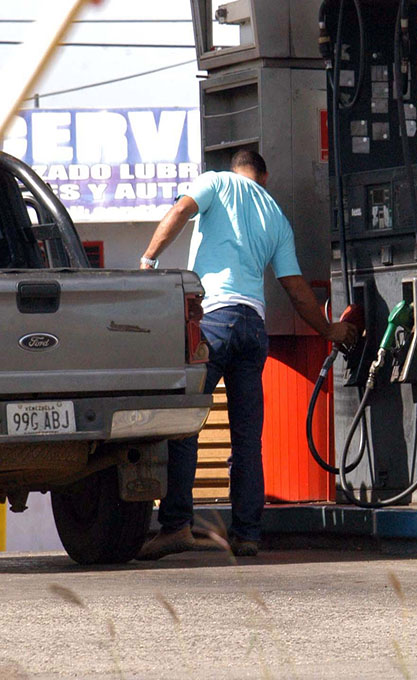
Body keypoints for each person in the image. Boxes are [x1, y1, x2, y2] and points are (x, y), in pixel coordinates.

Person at [136, 150, 356, 559]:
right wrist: (329, 330)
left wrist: (148, 262)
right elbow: (294, 287)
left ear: (236, 170)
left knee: (185, 424)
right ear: (264, 177)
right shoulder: (275, 216)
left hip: (214, 320)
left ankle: (176, 526)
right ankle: (247, 533)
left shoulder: (215, 182)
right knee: (246, 437)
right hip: (253, 328)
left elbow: (182, 209)